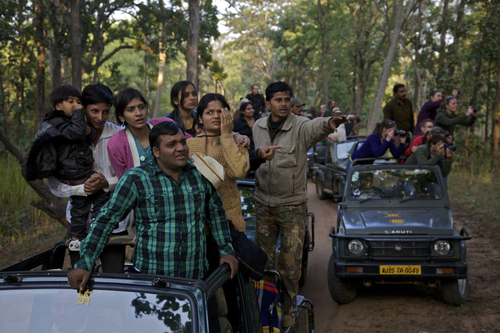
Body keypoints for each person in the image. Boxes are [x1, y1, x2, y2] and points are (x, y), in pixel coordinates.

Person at [68, 121, 238, 333]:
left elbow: (216, 214)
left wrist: (226, 250)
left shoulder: (200, 175)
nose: (181, 148)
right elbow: (106, 220)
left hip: (195, 284)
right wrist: (85, 262)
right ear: (156, 151)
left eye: (182, 142)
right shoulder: (136, 179)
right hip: (150, 287)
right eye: (172, 144)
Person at [252, 81, 346, 328]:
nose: (283, 104)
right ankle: (265, 309)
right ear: (268, 103)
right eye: (278, 100)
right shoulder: (257, 126)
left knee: (291, 265)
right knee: (264, 262)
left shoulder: (300, 125)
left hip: (292, 207)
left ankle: (290, 310)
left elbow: (315, 127)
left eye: (286, 99)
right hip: (263, 204)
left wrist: (329, 123)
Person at [26, 85, 108, 259]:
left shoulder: (72, 122)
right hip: (73, 175)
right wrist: (80, 117)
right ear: (58, 106)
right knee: (85, 203)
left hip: (80, 171)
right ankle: (80, 234)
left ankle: (87, 231)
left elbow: (84, 135)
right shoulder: (55, 123)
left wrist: (89, 130)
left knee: (89, 201)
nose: (76, 105)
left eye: (79, 102)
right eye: (70, 102)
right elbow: (76, 133)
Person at [189, 94, 250, 232]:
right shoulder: (188, 146)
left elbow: (239, 172)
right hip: (197, 225)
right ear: (200, 118)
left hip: (229, 223)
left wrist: (227, 136)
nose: (216, 116)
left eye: (220, 112)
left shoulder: (237, 143)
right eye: (209, 112)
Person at [108, 88, 178, 179]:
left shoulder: (165, 124)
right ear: (121, 117)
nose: (138, 113)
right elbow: (125, 181)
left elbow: (188, 144)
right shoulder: (115, 144)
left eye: (141, 107)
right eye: (131, 109)